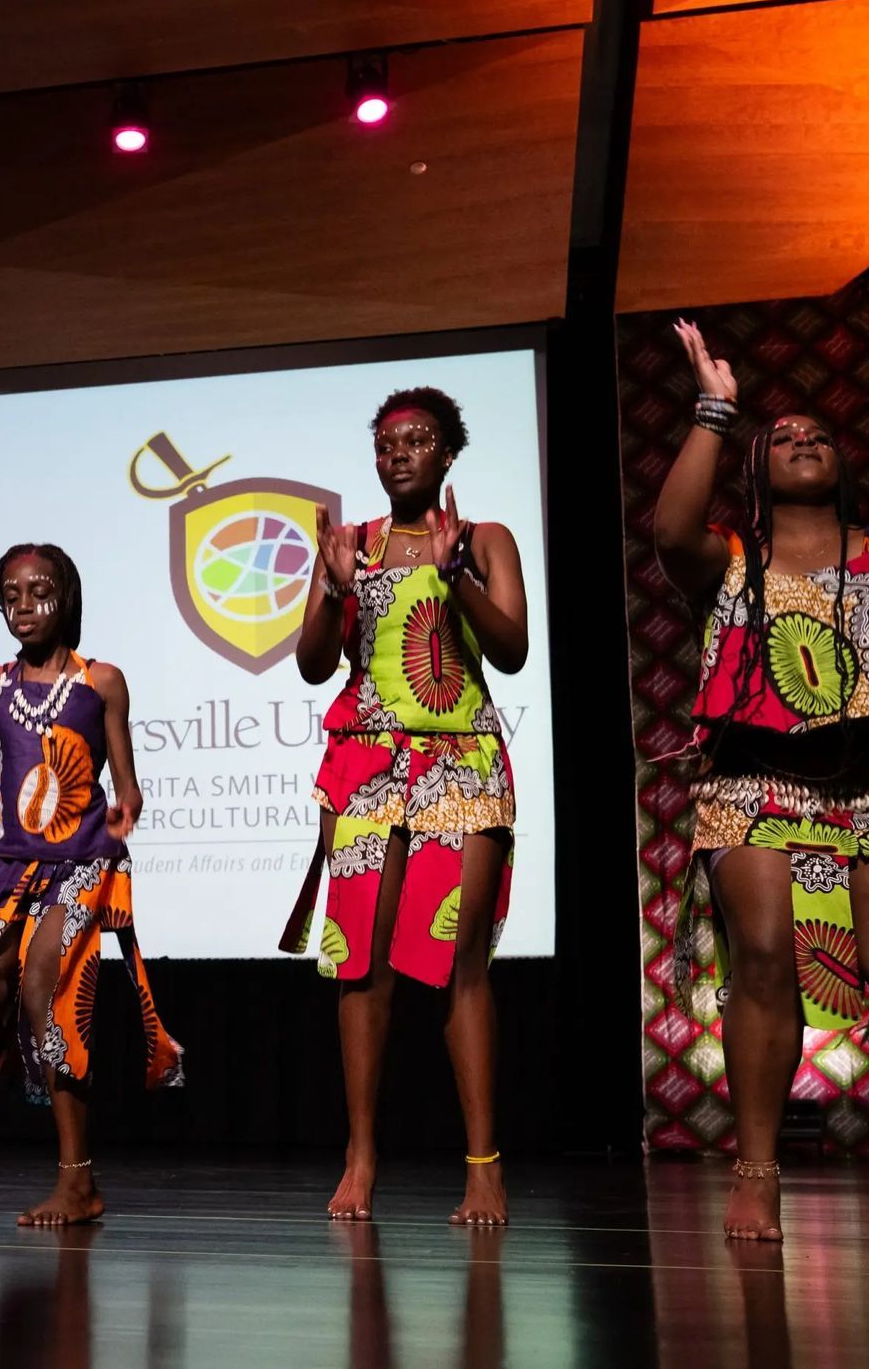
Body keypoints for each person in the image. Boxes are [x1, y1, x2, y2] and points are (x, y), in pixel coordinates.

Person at [653, 323, 869, 1241]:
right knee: (763, 957)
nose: (805, 437)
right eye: (784, 434)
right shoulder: (728, 560)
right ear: (754, 471)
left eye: (821, 435)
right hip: (754, 785)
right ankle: (755, 1170)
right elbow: (668, 527)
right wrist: (716, 410)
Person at [285, 387, 526, 1226]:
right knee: (365, 965)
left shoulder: (486, 538)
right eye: (386, 441)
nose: (399, 452)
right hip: (366, 766)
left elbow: (512, 648)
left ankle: (483, 1165)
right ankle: (360, 1152)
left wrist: (458, 576)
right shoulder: (349, 545)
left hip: (462, 760)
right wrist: (328, 585)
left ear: (448, 453)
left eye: (418, 439)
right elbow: (315, 667)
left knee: (458, 966)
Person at [0, 544, 184, 1227]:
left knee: (46, 989)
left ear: (66, 595)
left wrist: (127, 807)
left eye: (39, 590)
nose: (24, 603)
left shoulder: (102, 681)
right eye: (10, 593)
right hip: (10, 864)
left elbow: (125, 783)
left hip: (80, 858)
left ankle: (78, 1180)